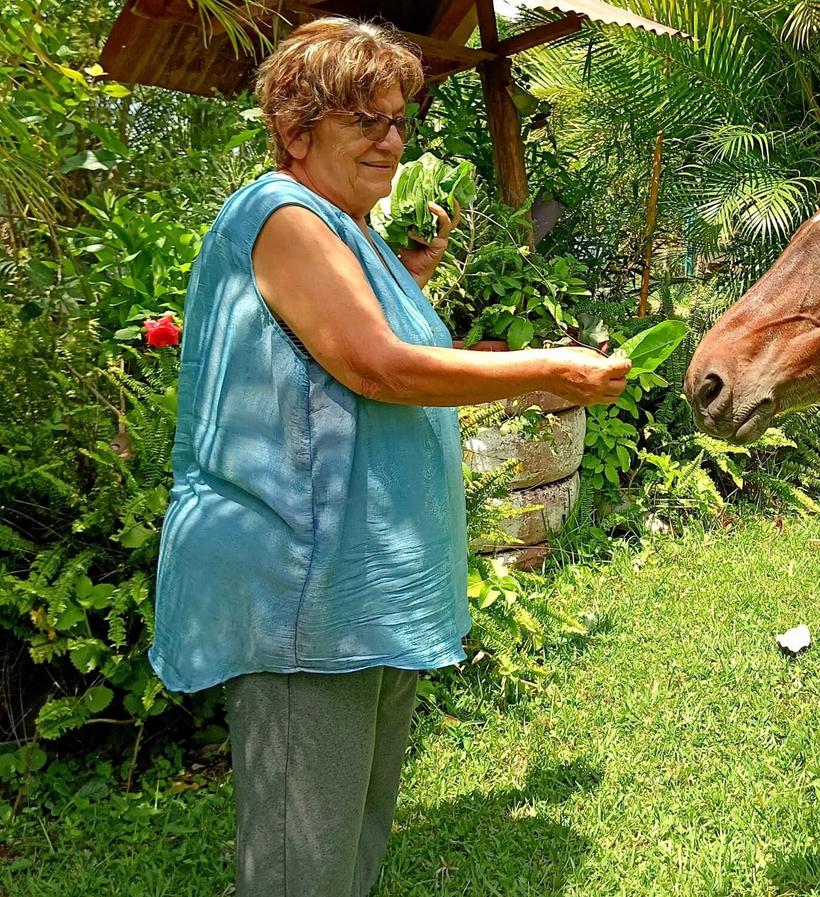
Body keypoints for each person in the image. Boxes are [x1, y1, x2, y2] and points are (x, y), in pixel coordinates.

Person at [149, 17, 629, 897]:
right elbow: (374, 363)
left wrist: (404, 266)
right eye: (365, 120)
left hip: (357, 582)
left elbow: (342, 342)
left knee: (348, 839)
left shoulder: (347, 230)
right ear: (296, 130)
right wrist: (547, 367)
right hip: (302, 584)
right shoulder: (279, 212)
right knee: (303, 864)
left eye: (400, 118)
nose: (393, 139)